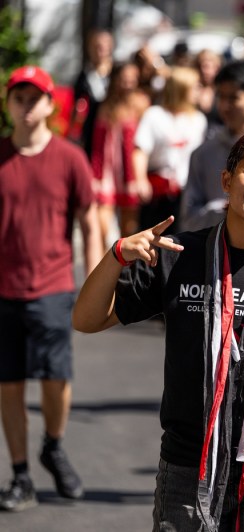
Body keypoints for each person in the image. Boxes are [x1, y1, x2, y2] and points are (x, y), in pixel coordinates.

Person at [72, 127, 244, 530]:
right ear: (227, 180)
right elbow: (86, 319)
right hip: (189, 465)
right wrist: (116, 255)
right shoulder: (180, 256)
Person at [0, 65, 103, 511]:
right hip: (3, 291)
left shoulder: (69, 157)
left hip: (54, 285)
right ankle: (21, 474)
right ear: (9, 103)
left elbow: (89, 218)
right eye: (18, 97)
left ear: (48, 104)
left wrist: (99, 275)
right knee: (9, 384)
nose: (25, 105)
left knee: (56, 378)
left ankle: (53, 444)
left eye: (33, 97)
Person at [181, 59, 244, 232]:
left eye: (234, 98)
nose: (225, 106)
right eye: (221, 97)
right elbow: (189, 219)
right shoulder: (203, 154)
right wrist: (227, 210)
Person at [133, 67, 207, 232]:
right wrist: (140, 180)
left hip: (186, 192)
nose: (199, 91)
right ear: (182, 88)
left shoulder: (198, 120)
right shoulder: (154, 115)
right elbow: (140, 149)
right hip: (158, 192)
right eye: (195, 86)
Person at [91, 62, 151, 242]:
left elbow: (145, 142)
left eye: (132, 79)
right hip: (107, 171)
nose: (128, 84)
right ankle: (103, 267)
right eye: (124, 79)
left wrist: (141, 177)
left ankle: (126, 269)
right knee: (101, 227)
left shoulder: (141, 103)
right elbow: (98, 145)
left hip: (130, 171)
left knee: (130, 230)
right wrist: (94, 174)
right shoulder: (106, 106)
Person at [72, 28, 114, 156]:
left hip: (112, 126)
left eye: (104, 46)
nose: (101, 50)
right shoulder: (85, 76)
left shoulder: (116, 73)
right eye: (97, 46)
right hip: (91, 128)